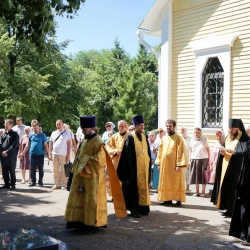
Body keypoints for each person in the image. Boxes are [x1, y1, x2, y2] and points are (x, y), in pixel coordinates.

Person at [64, 116, 126, 234]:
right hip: (81, 176)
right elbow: (79, 155)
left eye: (85, 128)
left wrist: (83, 161)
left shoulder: (98, 141)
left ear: (92, 128)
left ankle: (91, 224)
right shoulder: (85, 140)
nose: (82, 131)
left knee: (91, 200)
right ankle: (79, 221)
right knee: (81, 198)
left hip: (93, 177)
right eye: (82, 128)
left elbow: (100, 160)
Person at [211, 118, 250, 219]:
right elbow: (223, 148)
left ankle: (234, 210)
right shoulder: (228, 137)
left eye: (233, 129)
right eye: (229, 128)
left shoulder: (244, 139)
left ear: (238, 128)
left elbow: (246, 153)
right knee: (227, 188)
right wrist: (222, 152)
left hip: (237, 169)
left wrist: (235, 153)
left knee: (235, 190)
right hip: (226, 168)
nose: (230, 131)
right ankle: (228, 209)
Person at [117, 114, 151, 218]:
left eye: (143, 125)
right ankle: (134, 209)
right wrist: (130, 169)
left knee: (144, 188)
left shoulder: (144, 137)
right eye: (140, 125)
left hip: (144, 168)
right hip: (134, 170)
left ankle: (143, 208)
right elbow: (127, 156)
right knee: (133, 190)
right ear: (135, 125)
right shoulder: (130, 137)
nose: (142, 127)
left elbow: (148, 152)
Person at [155, 119, 187, 207]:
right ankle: (167, 199)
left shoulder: (178, 138)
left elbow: (180, 152)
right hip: (165, 165)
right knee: (166, 181)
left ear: (174, 127)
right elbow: (160, 151)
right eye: (167, 126)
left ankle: (178, 200)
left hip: (174, 165)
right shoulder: (164, 138)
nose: (168, 127)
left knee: (176, 182)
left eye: (170, 126)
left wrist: (179, 164)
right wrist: (158, 163)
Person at [20, 122, 49, 187]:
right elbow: (28, 145)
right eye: (34, 128)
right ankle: (33, 182)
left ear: (39, 128)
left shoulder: (42, 135)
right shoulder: (30, 135)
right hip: (32, 154)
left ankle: (40, 182)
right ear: (32, 128)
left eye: (37, 128)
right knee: (32, 169)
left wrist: (48, 154)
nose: (36, 129)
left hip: (40, 155)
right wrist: (23, 153)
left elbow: (45, 145)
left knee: (40, 169)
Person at [48, 120, 71, 190]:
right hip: (55, 154)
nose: (58, 126)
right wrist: (49, 153)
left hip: (63, 154)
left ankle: (64, 184)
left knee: (64, 170)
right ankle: (56, 184)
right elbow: (51, 143)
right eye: (57, 124)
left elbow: (69, 145)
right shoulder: (53, 133)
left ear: (62, 124)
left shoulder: (67, 133)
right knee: (55, 170)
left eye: (59, 124)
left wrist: (68, 156)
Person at [189, 127, 210, 197]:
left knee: (203, 176)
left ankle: (203, 192)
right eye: (195, 132)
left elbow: (208, 149)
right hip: (194, 158)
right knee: (196, 176)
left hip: (204, 158)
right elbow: (191, 149)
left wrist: (209, 160)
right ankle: (197, 191)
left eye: (198, 132)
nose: (197, 134)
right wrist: (190, 158)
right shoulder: (192, 139)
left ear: (201, 133)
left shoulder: (204, 139)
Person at [0, 119, 19, 189]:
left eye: (6, 124)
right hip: (3, 155)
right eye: (5, 124)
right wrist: (2, 151)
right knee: (4, 170)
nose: (5, 125)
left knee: (11, 170)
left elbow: (15, 145)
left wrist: (7, 152)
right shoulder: (3, 134)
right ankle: (6, 184)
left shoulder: (15, 134)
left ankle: (13, 184)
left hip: (11, 155)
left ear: (11, 125)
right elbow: (1, 144)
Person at [180, 126, 192, 193]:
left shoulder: (190, 139)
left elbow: (191, 149)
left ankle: (187, 188)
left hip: (188, 157)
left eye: (183, 130)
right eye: (181, 130)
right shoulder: (180, 138)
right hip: (181, 158)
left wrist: (190, 158)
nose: (182, 132)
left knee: (188, 172)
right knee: (182, 172)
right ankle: (182, 188)